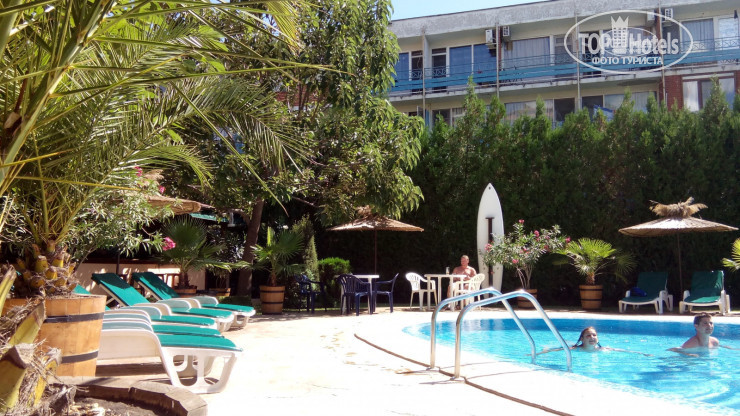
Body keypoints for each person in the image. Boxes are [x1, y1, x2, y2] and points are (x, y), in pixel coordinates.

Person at [536, 327, 650, 356]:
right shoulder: (575, 349)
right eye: (588, 335)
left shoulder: (602, 350)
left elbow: (622, 351)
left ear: (597, 338)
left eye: (594, 335)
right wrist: (539, 353)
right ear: (582, 339)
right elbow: (556, 350)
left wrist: (641, 353)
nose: (592, 337)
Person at [669, 313, 737, 356]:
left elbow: (720, 346)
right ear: (696, 326)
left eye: (711, 323)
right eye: (705, 323)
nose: (709, 325)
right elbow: (673, 350)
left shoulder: (714, 341)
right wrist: (688, 354)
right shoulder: (692, 343)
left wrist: (733, 349)